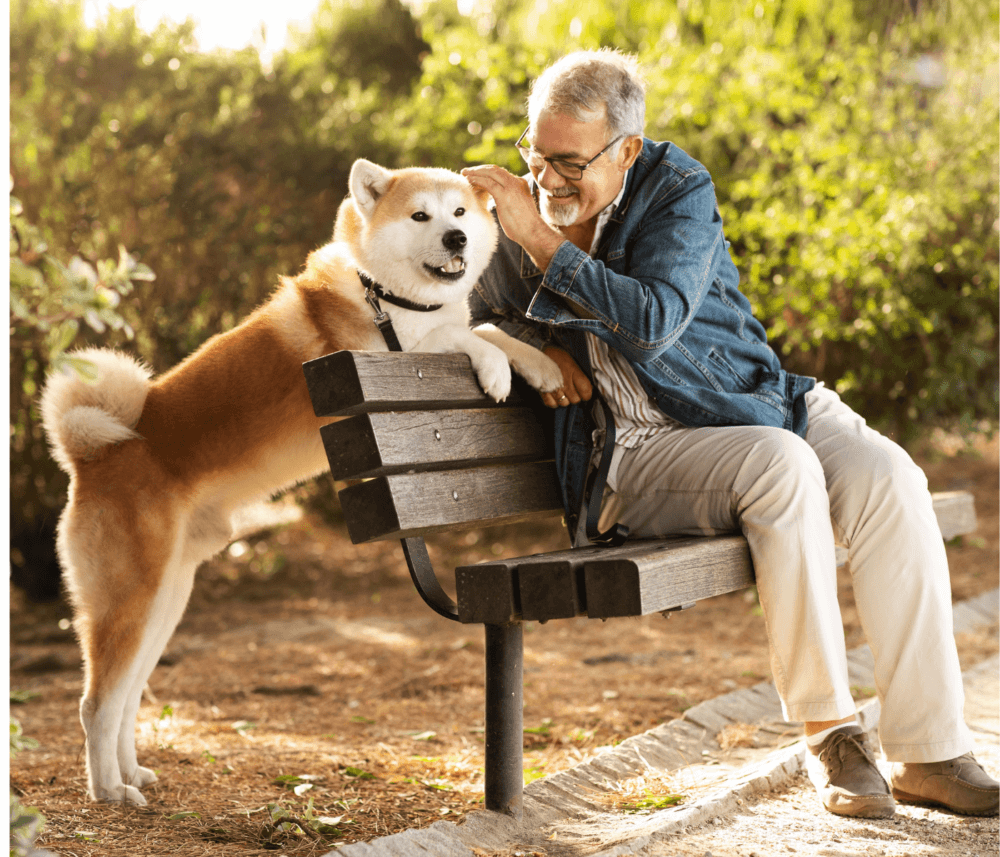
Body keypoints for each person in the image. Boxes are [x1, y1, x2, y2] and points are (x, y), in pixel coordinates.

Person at [462, 48, 998, 819]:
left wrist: (542, 248)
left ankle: (931, 749)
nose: (545, 182)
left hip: (756, 404)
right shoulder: (502, 223)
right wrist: (524, 347)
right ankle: (831, 733)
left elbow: (651, 321)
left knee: (891, 478)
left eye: (569, 163)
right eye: (535, 156)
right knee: (781, 463)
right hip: (641, 455)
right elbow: (440, 305)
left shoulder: (676, 191)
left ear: (627, 152)